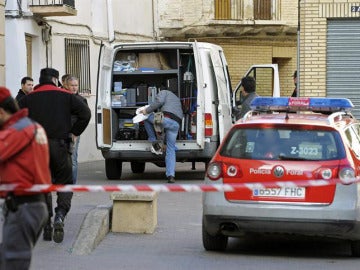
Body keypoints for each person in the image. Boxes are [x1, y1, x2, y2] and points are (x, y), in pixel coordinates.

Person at [17, 68, 91, 244]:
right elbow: (85, 114)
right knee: (64, 184)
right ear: (56, 80)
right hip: (60, 146)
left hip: (37, 149)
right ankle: (60, 215)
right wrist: (74, 132)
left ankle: (47, 223)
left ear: (40, 80)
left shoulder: (28, 99)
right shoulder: (66, 96)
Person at [0, 86, 51, 270]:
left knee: (13, 263)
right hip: (32, 205)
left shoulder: (18, 131)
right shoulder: (31, 126)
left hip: (24, 207)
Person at [140, 90, 183, 183]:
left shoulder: (163, 92)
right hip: (176, 124)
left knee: (146, 117)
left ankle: (154, 143)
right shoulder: (175, 98)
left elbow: (158, 102)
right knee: (170, 149)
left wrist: (145, 111)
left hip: (166, 119)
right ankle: (171, 175)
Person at [66, 75, 89, 184]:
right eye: (72, 85)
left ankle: (72, 184)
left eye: (76, 85)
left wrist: (76, 132)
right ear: (66, 85)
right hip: (62, 131)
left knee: (73, 158)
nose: (74, 88)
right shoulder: (62, 98)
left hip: (74, 133)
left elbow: (85, 117)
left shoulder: (81, 100)